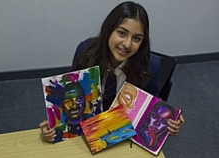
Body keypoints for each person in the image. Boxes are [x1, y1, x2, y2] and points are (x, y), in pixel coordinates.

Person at [40, 1, 184, 143]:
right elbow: (74, 93)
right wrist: (55, 125)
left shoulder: (150, 65)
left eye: (136, 38)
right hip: (88, 128)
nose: (127, 44)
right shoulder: (85, 52)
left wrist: (170, 120)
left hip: (123, 131)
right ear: (109, 30)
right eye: (122, 33)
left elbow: (152, 103)